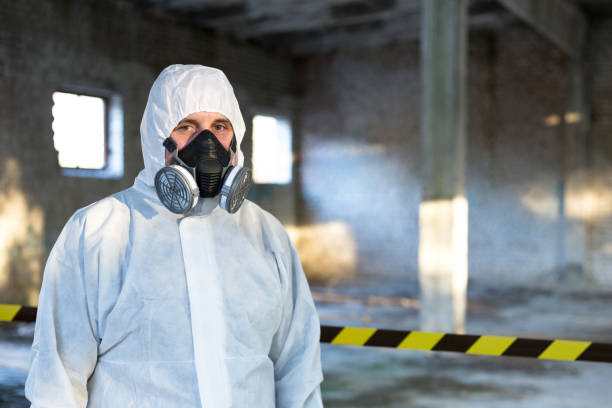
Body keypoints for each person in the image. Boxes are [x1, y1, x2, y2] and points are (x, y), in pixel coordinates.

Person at [25, 64, 324, 407]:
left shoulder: (267, 235)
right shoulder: (95, 232)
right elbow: (58, 379)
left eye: (219, 127)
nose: (207, 144)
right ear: (157, 137)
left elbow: (298, 371)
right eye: (187, 127)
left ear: (235, 138)